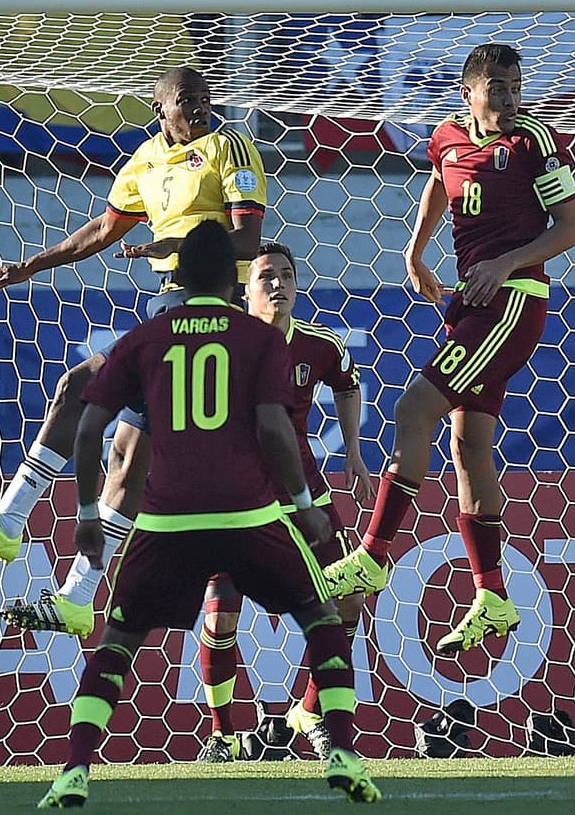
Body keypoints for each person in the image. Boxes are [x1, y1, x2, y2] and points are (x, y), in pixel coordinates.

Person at [36, 222, 380, 808]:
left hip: (167, 519)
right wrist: (303, 504)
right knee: (321, 617)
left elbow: (91, 426)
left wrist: (89, 512)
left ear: (179, 278)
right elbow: (273, 428)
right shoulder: (257, 340)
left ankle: (73, 770)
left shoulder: (146, 337)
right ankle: (344, 754)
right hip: (249, 514)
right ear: (233, 282)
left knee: (119, 640)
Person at [0, 66, 267, 640]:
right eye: (186, 99)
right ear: (160, 110)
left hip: (212, 310)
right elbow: (100, 231)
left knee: (79, 387)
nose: (200, 107)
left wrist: (178, 243)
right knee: (127, 458)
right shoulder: (144, 161)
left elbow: (247, 240)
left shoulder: (229, 146)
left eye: (204, 97)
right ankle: (74, 598)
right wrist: (30, 265)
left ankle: (9, 522)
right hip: (171, 308)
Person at [321, 43, 575, 656]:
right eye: (498, 88)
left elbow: (569, 228)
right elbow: (440, 182)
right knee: (468, 448)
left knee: (412, 410)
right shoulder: (445, 137)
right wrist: (416, 250)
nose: (510, 99)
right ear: (469, 93)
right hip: (471, 301)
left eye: (516, 87)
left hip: (512, 303)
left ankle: (372, 557)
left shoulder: (536, 142)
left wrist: (507, 261)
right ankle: (492, 595)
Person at [193, 242, 375, 762]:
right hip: (236, 501)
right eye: (267, 276)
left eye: (287, 275)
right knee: (221, 614)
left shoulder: (320, 344)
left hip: (305, 496)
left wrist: (354, 452)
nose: (279, 284)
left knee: (349, 599)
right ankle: (222, 735)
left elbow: (347, 384)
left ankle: (311, 711)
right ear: (244, 291)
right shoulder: (220, 342)